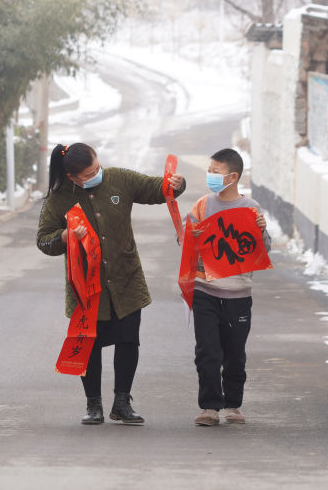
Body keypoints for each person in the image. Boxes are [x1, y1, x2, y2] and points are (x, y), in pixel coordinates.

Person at [37, 143, 185, 425]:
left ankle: (122, 402)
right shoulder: (58, 198)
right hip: (85, 286)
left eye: (97, 166)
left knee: (129, 340)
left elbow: (157, 189)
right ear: (73, 177)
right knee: (88, 344)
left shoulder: (118, 179)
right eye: (89, 173)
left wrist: (176, 184)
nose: (97, 174)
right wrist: (65, 236)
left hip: (126, 279)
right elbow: (43, 239)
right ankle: (94, 404)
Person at [188, 148, 270, 426]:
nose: (210, 175)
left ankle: (233, 405)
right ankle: (209, 407)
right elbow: (186, 243)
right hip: (205, 290)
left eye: (215, 171)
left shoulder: (251, 208)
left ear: (232, 176)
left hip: (238, 293)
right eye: (209, 170)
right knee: (207, 352)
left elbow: (263, 250)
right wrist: (191, 235)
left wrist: (261, 230)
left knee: (234, 353)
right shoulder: (202, 205)